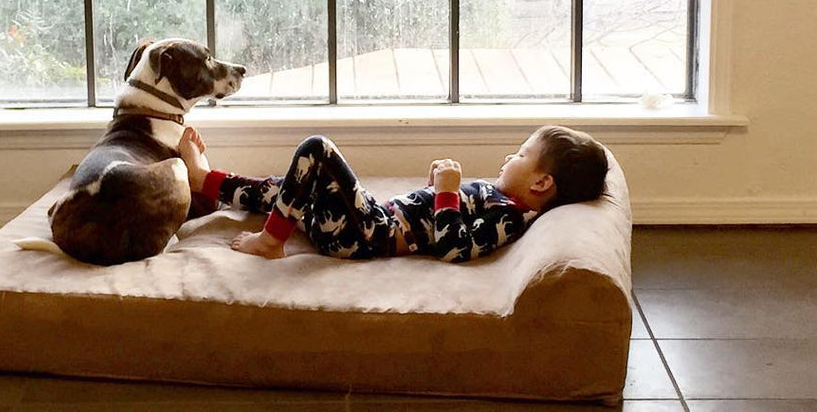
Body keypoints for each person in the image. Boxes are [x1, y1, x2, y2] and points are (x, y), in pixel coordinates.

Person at [176, 124, 608, 263]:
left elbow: (454, 246)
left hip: (367, 235)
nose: (507, 158)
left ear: (541, 183)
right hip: (373, 218)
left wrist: (445, 193)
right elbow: (436, 216)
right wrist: (433, 189)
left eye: (520, 154)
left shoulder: (512, 217)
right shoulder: (501, 200)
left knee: (316, 150)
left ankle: (272, 241)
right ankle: (206, 182)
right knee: (290, 185)